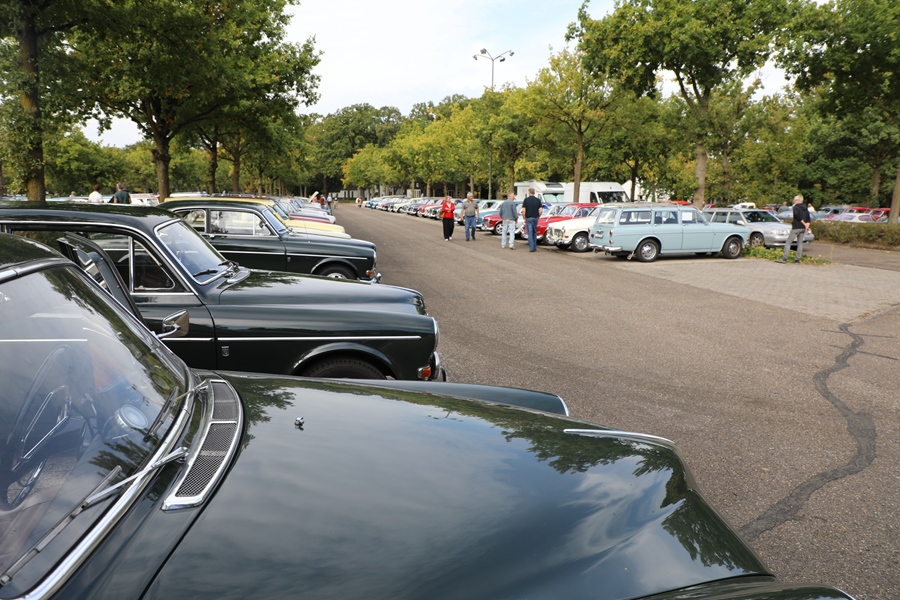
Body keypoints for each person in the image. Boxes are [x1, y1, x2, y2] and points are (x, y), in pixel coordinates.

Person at [776, 194, 810, 264]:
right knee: (800, 244)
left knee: (788, 242)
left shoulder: (795, 207)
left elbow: (797, 216)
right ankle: (797, 259)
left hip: (796, 227)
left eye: (794, 200)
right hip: (803, 228)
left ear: (797, 200)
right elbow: (808, 219)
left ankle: (784, 258)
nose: (793, 201)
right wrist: (806, 226)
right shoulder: (806, 208)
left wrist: (803, 222)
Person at [521, 187, 543, 252]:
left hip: (529, 218)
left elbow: (523, 210)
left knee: (530, 232)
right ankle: (534, 246)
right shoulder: (538, 200)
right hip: (535, 218)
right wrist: (538, 216)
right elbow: (541, 210)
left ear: (529, 192)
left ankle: (531, 247)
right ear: (534, 192)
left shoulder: (526, 200)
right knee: (534, 232)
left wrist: (524, 216)